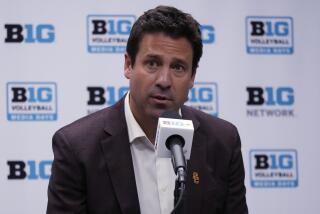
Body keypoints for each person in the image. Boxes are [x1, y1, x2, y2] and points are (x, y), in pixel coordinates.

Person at [47, 5, 248, 214]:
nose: (164, 81)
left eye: (178, 67)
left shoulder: (223, 142)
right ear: (128, 65)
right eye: (152, 63)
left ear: (192, 77)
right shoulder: (77, 147)